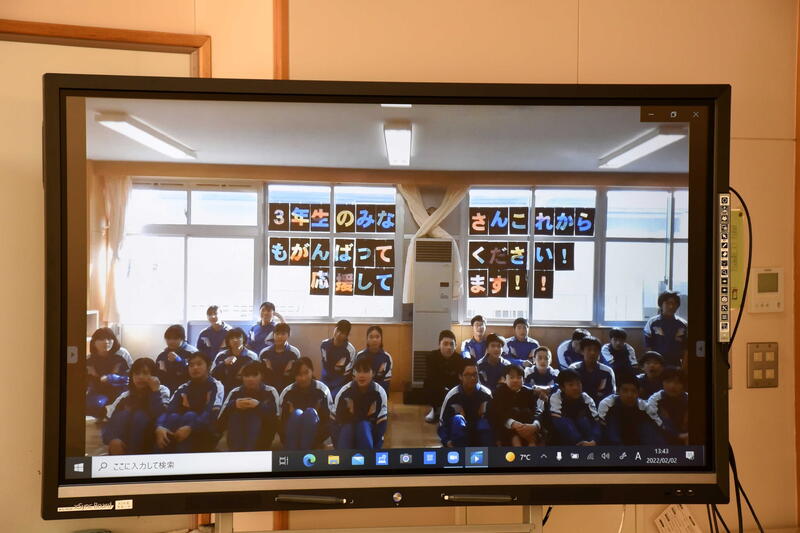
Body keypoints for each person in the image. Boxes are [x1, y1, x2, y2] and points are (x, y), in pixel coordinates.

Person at [155, 352, 224, 453]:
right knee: (173, 417)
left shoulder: (216, 386)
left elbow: (212, 414)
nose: (195, 368)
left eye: (199, 364)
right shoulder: (184, 387)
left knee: (190, 415)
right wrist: (160, 426)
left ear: (208, 366)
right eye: (191, 365)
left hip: (205, 430)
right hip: (181, 427)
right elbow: (169, 410)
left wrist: (191, 427)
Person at [102, 358, 170, 455]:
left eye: (145, 373)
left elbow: (160, 415)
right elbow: (111, 423)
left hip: (150, 441)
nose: (140, 377)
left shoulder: (161, 390)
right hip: (124, 443)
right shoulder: (125, 396)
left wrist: (155, 392)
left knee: (140, 416)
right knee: (123, 415)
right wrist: (113, 439)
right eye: (136, 373)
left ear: (154, 375)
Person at [217, 361, 280, 451]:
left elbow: (275, 420)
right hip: (237, 437)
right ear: (242, 377)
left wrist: (258, 406)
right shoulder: (235, 392)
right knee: (236, 415)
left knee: (254, 416)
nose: (250, 379)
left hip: (262, 439)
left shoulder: (270, 391)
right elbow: (221, 420)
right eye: (246, 375)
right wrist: (234, 404)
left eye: (254, 375)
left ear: (262, 376)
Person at [278, 357, 335, 450]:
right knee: (296, 414)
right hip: (292, 437)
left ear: (312, 371)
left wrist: (316, 441)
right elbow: (281, 423)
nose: (303, 378)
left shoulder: (322, 390)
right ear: (294, 375)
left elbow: (328, 421)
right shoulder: (287, 392)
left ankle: (305, 450)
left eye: (306, 373)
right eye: (299, 374)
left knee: (310, 413)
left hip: (315, 437)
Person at [333, 358, 389, 450]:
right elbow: (336, 424)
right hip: (347, 436)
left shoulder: (380, 393)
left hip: (370, 437)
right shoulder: (344, 392)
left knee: (363, 425)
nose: (361, 375)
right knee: (347, 427)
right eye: (358, 371)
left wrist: (374, 450)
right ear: (354, 373)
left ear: (373, 373)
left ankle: (367, 457)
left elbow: (381, 425)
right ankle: (343, 457)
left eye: (366, 371)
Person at [597, 372, 666, 445]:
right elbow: (599, 427)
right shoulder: (606, 404)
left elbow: (659, 426)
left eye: (633, 391)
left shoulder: (644, 406)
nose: (629, 395)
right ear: (617, 391)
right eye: (625, 390)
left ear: (638, 393)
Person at [438, 359, 494, 447]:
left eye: (475, 374)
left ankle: (487, 452)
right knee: (458, 419)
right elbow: (442, 422)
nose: (472, 378)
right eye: (468, 375)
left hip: (478, 435)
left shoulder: (486, 394)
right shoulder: (452, 395)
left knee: (484, 423)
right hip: (458, 437)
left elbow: (494, 420)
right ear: (460, 376)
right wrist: (447, 441)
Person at [489, 365, 542, 446]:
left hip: (528, 426)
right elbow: (497, 414)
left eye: (519, 377)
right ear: (505, 379)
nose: (515, 380)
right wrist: (513, 424)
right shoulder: (498, 393)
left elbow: (536, 410)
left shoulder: (528, 392)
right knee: (513, 435)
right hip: (507, 429)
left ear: (523, 380)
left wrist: (535, 425)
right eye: (511, 377)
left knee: (527, 415)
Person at [546, 368, 601, 446]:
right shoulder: (556, 397)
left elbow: (596, 422)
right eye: (571, 385)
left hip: (587, 440)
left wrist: (594, 441)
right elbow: (560, 423)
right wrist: (579, 441)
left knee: (583, 421)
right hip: (564, 439)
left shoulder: (586, 398)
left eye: (578, 384)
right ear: (562, 388)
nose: (576, 388)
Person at [86, 327, 131, 420]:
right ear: (94, 342)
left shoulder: (121, 356)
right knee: (93, 404)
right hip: (99, 393)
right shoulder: (89, 360)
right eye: (101, 339)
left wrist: (112, 378)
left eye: (109, 339)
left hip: (120, 392)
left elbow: (131, 377)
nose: (106, 342)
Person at [423, 330, 464, 424]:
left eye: (451, 344)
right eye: (445, 344)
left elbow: (459, 379)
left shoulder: (459, 359)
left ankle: (454, 409)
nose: (449, 347)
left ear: (455, 346)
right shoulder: (431, 357)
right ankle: (434, 409)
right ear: (439, 345)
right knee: (429, 384)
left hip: (452, 386)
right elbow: (431, 376)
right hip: (438, 385)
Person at [643, 291, 688, 368]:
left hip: (676, 364)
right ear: (661, 305)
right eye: (667, 303)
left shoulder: (683, 324)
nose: (671, 306)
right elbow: (648, 346)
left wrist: (684, 366)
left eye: (674, 304)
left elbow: (686, 348)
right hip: (657, 365)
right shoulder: (652, 322)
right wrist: (651, 365)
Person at [210, 327, 258, 395]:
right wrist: (224, 364)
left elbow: (257, 378)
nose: (235, 340)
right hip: (223, 392)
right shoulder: (221, 355)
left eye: (238, 337)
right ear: (228, 341)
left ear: (244, 339)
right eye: (232, 338)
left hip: (245, 392)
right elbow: (212, 375)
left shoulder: (252, 356)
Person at [569, 336, 616, 406]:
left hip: (601, 407)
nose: (592, 353)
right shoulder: (573, 369)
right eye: (589, 349)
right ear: (582, 351)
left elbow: (611, 395)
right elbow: (569, 392)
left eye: (596, 350)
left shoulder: (607, 371)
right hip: (578, 406)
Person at [647, 367, 689, 445]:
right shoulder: (654, 400)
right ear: (662, 382)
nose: (672, 386)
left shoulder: (688, 399)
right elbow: (653, 423)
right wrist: (678, 436)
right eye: (668, 381)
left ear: (683, 385)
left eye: (677, 383)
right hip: (663, 438)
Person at [155, 324, 198, 395]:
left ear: (182, 338)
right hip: (166, 392)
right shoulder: (162, 355)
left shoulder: (192, 353)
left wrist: (179, 360)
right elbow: (158, 375)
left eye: (175, 338)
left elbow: (196, 374)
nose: (171, 341)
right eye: (168, 338)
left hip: (187, 392)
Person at [259, 322, 301, 393]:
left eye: (283, 334)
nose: (279, 337)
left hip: (289, 389)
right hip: (268, 389)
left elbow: (296, 374)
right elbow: (260, 375)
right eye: (277, 334)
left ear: (288, 335)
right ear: (273, 335)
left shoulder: (294, 352)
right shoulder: (264, 353)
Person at [319, 319, 356, 399]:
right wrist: (325, 385)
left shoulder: (350, 350)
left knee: (333, 397)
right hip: (326, 378)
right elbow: (325, 367)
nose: (338, 334)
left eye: (342, 333)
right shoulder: (324, 344)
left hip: (342, 382)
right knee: (320, 395)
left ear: (347, 335)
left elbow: (347, 373)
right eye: (337, 330)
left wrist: (333, 385)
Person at [353, 325, 393, 394]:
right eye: (371, 337)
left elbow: (386, 382)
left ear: (381, 339)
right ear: (367, 339)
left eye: (377, 337)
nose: (374, 340)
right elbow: (355, 378)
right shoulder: (360, 356)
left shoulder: (387, 357)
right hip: (361, 392)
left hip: (379, 393)